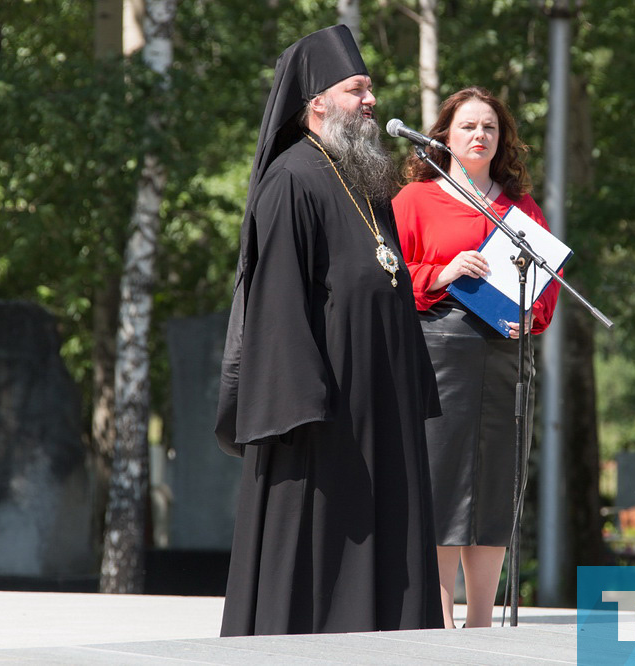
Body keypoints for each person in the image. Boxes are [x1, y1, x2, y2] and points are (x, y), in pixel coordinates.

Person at [214, 25, 444, 636]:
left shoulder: (370, 183)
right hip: (323, 419)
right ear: (316, 101)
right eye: (356, 89)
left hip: (382, 410)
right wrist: (303, 406)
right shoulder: (291, 181)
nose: (371, 100)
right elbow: (278, 307)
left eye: (370, 89)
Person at [392, 87, 561, 629]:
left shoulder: (521, 209)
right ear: (444, 135)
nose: (479, 135)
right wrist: (442, 272)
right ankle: (440, 621)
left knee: (494, 487)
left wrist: (529, 317)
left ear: (502, 140)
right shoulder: (416, 199)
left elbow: (547, 286)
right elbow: (384, 272)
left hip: (505, 357)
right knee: (442, 484)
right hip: (439, 352)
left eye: (490, 127)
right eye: (467, 126)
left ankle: (482, 622)